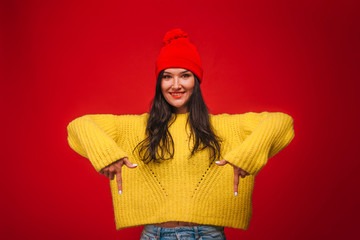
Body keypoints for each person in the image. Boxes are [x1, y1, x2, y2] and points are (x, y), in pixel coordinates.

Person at [67, 28, 295, 240]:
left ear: (196, 81)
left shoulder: (225, 126)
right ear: (159, 83)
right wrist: (108, 155)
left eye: (184, 75)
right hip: (153, 235)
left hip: (207, 235)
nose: (175, 85)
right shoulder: (136, 127)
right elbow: (79, 126)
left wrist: (248, 156)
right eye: (167, 76)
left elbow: (281, 122)